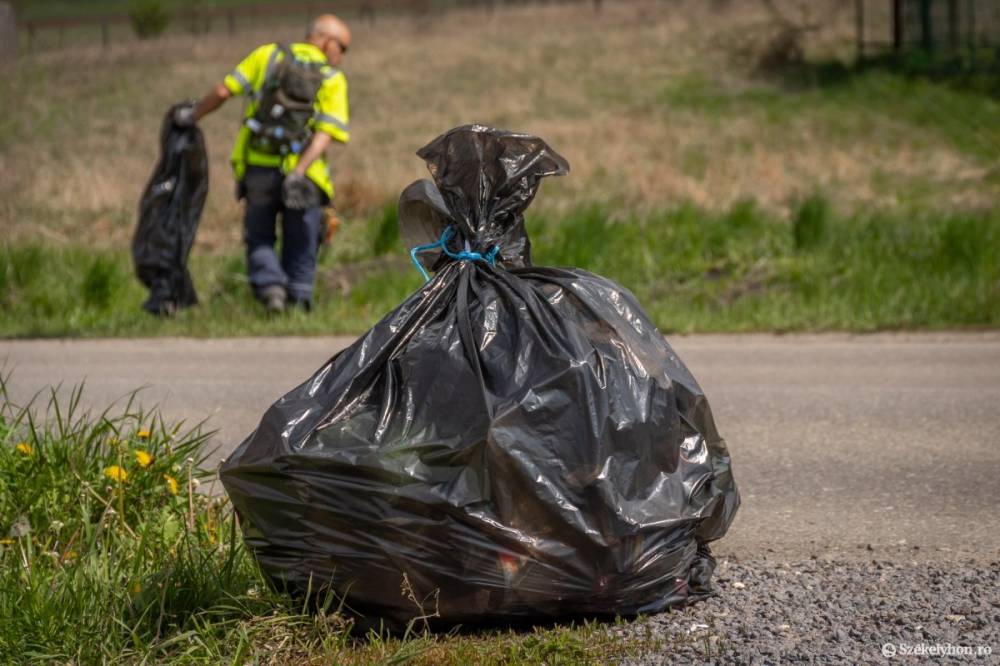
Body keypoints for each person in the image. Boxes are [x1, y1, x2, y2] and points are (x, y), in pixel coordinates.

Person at [176, 15, 351, 313]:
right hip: (307, 177)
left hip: (259, 168)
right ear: (325, 40)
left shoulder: (267, 56)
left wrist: (190, 117)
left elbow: (223, 92)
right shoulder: (332, 78)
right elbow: (324, 135)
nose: (343, 55)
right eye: (342, 47)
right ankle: (298, 305)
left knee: (259, 237)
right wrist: (298, 172)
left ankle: (271, 292)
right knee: (303, 240)